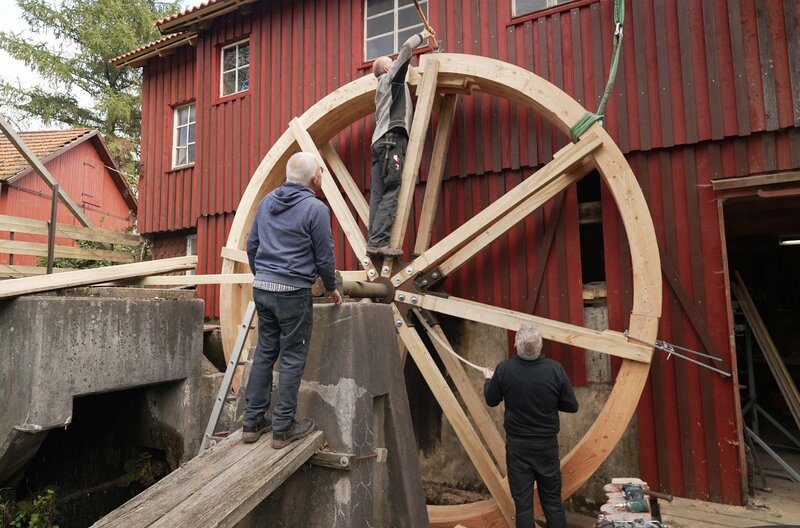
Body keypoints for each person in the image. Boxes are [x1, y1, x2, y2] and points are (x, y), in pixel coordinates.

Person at [243, 151, 343, 448]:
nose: (321, 176)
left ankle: (252, 422)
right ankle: (283, 428)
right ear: (315, 178)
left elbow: (252, 245)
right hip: (292, 293)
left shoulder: (267, 202)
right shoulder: (316, 209)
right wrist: (331, 287)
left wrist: (263, 276)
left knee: (265, 352)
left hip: (263, 289)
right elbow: (324, 256)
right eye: (321, 172)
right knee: (292, 357)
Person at [483, 324, 579, 528]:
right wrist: (551, 402)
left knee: (524, 507)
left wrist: (488, 380)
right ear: (540, 345)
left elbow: (491, 400)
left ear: (516, 344)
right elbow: (572, 406)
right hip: (547, 446)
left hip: (518, 447)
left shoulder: (504, 369)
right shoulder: (555, 369)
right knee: (553, 503)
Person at [366, 27, 437, 258]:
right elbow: (406, 49)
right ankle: (378, 243)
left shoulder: (381, 89)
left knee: (378, 194)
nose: (395, 63)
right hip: (392, 140)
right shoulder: (392, 80)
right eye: (391, 62)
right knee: (392, 189)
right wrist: (424, 35)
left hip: (379, 143)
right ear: (388, 69)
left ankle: (373, 242)